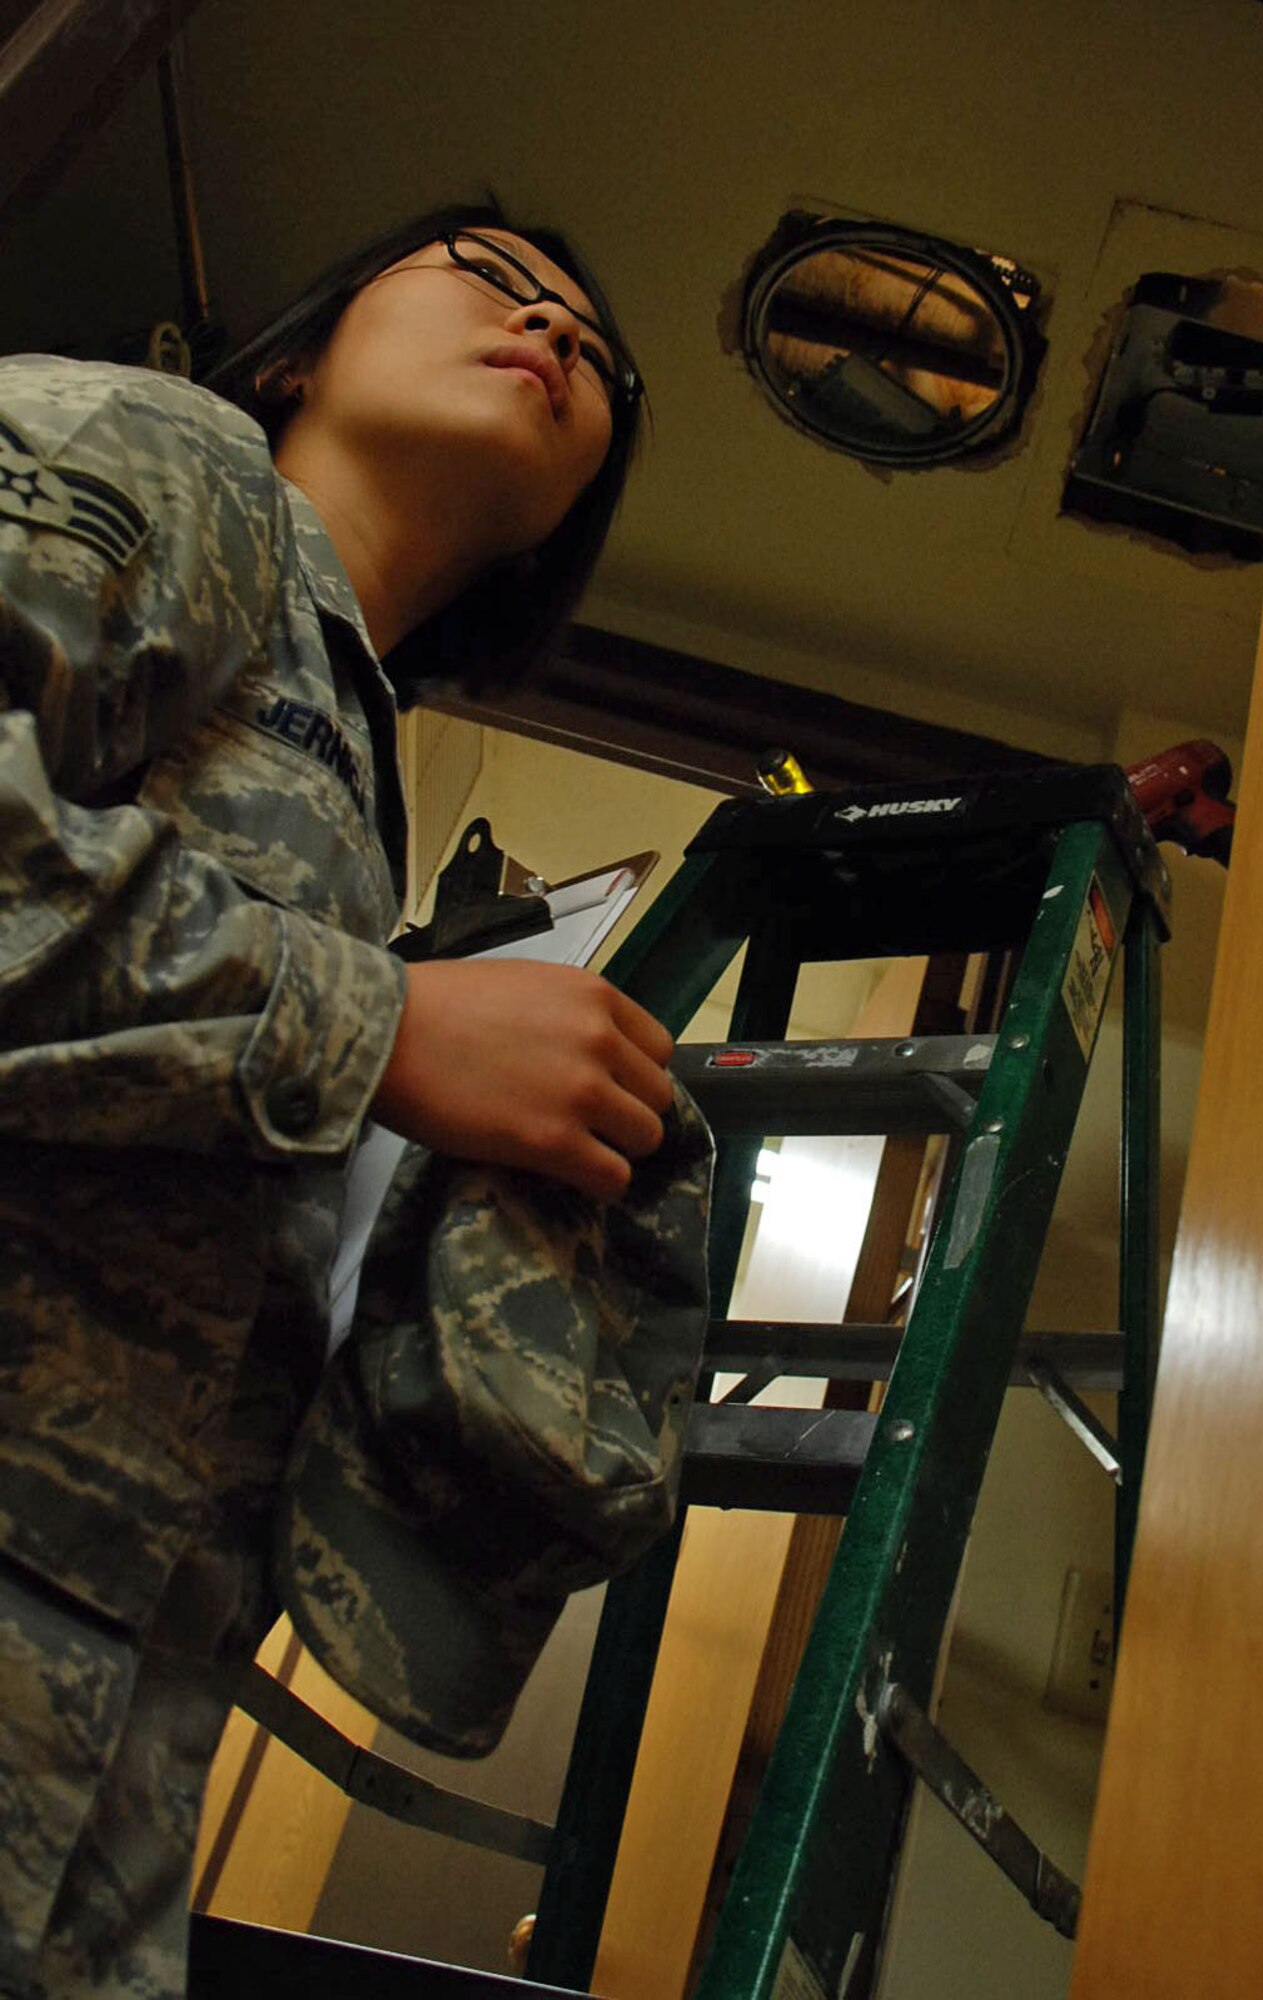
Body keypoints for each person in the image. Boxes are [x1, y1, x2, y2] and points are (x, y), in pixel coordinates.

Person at [0, 202, 678, 1998]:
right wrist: (376, 1029)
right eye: (489, 271)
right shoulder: (160, 449)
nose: (551, 328)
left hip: (119, 1675)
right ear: (301, 349)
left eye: (594, 355)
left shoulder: (346, 749)